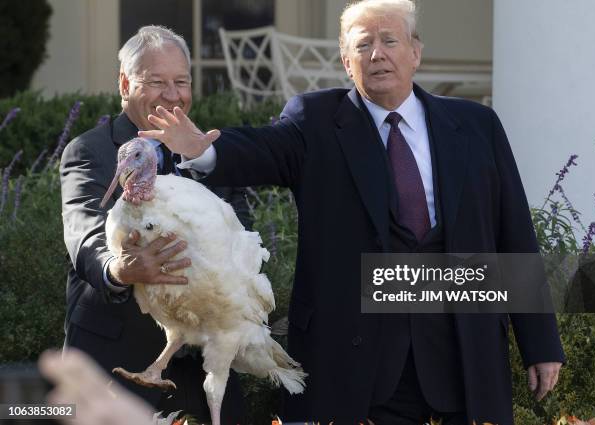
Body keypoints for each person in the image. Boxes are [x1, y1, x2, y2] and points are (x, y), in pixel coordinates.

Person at [141, 1, 565, 424]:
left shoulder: (476, 125)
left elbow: (515, 234)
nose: (377, 54)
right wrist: (203, 149)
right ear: (347, 61)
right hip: (358, 365)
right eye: (363, 45)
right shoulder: (316, 120)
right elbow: (263, 148)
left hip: (462, 358)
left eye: (389, 41)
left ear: (415, 52)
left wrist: (541, 344)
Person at [59, 25, 246, 424]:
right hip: (117, 361)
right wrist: (119, 267)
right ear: (125, 84)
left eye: (181, 81)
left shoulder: (209, 152)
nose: (173, 94)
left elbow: (243, 235)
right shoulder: (90, 150)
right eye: (157, 82)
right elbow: (85, 229)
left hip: (203, 366)